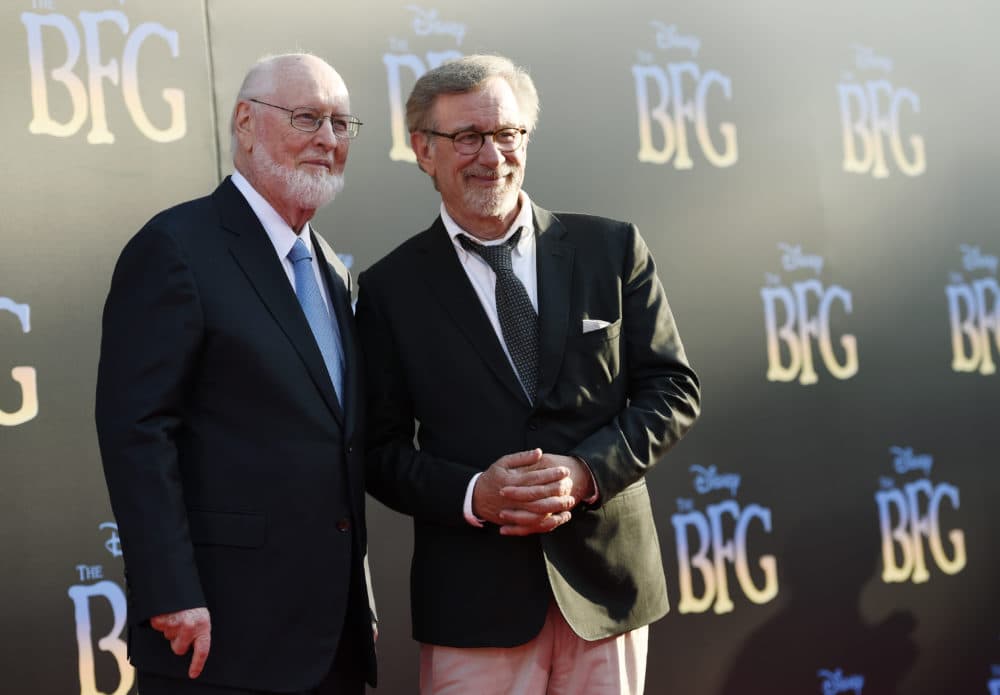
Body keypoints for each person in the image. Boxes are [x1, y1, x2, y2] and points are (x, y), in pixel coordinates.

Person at [355, 54, 701, 695]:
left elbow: (673, 391)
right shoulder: (388, 290)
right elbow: (378, 451)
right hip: (473, 604)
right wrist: (472, 495)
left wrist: (585, 472)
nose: (491, 156)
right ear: (423, 151)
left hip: (607, 596)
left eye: (507, 133)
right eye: (467, 138)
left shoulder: (612, 249)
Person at [95, 53, 376, 694]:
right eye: (307, 118)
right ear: (246, 123)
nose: (328, 141)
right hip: (215, 636)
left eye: (341, 124)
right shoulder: (176, 247)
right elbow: (137, 430)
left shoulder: (331, 267)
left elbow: (336, 446)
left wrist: (358, 599)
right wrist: (169, 593)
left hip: (329, 640)